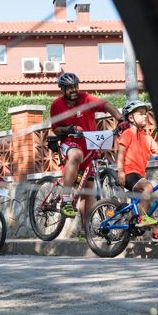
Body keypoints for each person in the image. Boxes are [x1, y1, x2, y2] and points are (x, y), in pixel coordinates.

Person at [49, 72, 120, 225]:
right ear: (62, 89)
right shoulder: (56, 105)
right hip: (70, 143)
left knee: (88, 191)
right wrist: (70, 128)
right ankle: (66, 198)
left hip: (90, 147)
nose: (74, 90)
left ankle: (84, 230)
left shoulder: (86, 98)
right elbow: (56, 129)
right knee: (76, 155)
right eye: (69, 88)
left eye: (75, 86)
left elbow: (106, 105)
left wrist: (120, 119)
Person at [114, 101, 158, 228]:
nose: (145, 116)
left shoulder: (147, 138)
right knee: (148, 187)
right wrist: (120, 172)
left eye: (146, 114)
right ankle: (142, 219)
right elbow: (120, 155)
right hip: (129, 173)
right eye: (141, 114)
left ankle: (154, 232)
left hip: (139, 176)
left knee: (148, 207)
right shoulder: (127, 133)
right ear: (131, 117)